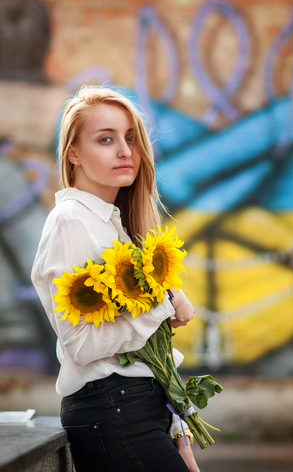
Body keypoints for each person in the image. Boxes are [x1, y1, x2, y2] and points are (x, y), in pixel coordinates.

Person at [31, 86, 200, 472]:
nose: (125, 151)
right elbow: (82, 345)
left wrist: (177, 425)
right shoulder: (71, 221)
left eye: (130, 138)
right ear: (73, 153)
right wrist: (164, 304)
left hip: (138, 408)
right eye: (105, 139)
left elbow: (144, 348)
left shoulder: (115, 228)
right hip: (113, 408)